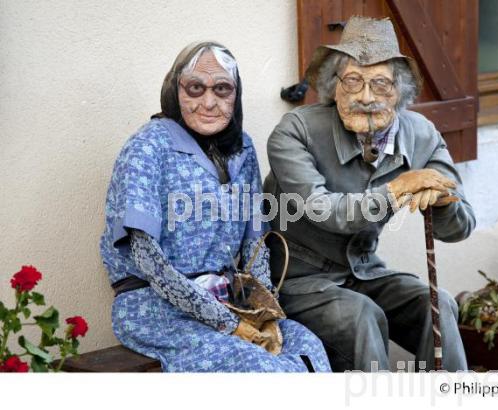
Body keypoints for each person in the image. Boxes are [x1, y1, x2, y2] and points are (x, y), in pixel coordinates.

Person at [99, 41, 331, 372]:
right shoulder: (147, 148)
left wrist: (264, 313)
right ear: (174, 89)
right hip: (157, 308)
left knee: (308, 350)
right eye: (195, 88)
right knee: (263, 371)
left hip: (232, 301)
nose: (209, 102)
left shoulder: (242, 147)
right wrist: (227, 322)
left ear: (236, 95)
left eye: (222, 89)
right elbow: (148, 261)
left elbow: (256, 244)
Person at [263, 17, 476, 372]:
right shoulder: (296, 131)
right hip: (298, 280)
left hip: (364, 272)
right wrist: (397, 189)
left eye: (380, 84)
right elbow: (323, 210)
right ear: (334, 86)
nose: (365, 97)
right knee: (362, 315)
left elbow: (460, 226)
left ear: (401, 91)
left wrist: (440, 201)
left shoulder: (421, 134)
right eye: (353, 81)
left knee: (437, 305)